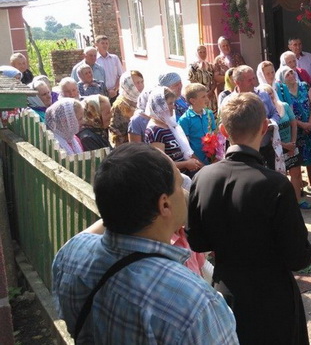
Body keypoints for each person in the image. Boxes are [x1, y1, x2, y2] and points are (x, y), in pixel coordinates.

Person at [52, 143, 238, 344]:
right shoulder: (194, 304)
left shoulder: (70, 255)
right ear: (164, 204)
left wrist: (119, 204)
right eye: (178, 183)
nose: (184, 189)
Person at [187, 92, 311, 344]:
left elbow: (198, 242)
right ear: (265, 127)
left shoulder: (203, 178)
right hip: (273, 297)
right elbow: (299, 257)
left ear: (223, 130)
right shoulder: (276, 185)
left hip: (228, 293)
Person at [276, 65, 311, 202]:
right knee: (297, 158)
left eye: (292, 73)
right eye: (287, 75)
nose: (291, 76)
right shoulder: (282, 92)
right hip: (295, 129)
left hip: (310, 126)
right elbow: (287, 113)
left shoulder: (304, 86)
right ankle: (299, 186)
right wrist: (302, 125)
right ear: (283, 78)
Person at [224, 65, 281, 170]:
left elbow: (275, 113)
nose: (254, 82)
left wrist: (271, 123)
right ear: (238, 83)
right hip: (243, 153)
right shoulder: (228, 101)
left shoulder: (263, 95)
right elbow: (225, 125)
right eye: (249, 80)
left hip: (266, 147)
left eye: (254, 78)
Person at [145, 86, 203, 176]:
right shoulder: (155, 131)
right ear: (160, 106)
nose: (174, 107)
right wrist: (186, 164)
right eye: (170, 103)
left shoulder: (169, 125)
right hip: (172, 180)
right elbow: (160, 164)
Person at [178, 83, 218, 165]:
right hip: (197, 163)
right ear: (193, 101)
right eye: (203, 97)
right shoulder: (185, 120)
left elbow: (214, 133)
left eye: (206, 96)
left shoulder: (209, 113)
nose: (207, 99)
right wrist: (200, 164)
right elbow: (186, 147)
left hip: (212, 159)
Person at [109, 70, 144, 147]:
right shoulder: (120, 105)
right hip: (127, 147)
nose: (141, 85)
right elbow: (116, 132)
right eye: (137, 83)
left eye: (142, 82)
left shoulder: (141, 99)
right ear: (128, 85)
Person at [188, 45, 217, 112]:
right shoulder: (193, 67)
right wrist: (203, 94)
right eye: (200, 52)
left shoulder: (210, 66)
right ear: (196, 53)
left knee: (212, 116)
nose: (203, 54)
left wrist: (211, 91)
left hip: (210, 96)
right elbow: (192, 84)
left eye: (204, 52)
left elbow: (214, 81)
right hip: (199, 96)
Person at [94, 35, 123, 101]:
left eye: (107, 43)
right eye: (102, 43)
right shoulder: (95, 60)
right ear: (96, 44)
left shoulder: (114, 58)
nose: (105, 45)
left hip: (116, 93)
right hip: (101, 94)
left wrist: (115, 89)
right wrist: (107, 91)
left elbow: (120, 75)